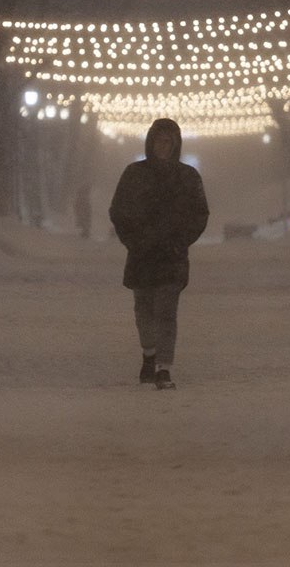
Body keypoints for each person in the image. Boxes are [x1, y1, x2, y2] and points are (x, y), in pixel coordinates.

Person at [109, 118, 209, 390]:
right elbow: (118, 211)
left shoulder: (187, 177)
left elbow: (200, 214)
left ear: (175, 145)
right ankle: (149, 355)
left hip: (171, 256)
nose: (163, 147)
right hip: (142, 255)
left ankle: (164, 367)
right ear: (150, 143)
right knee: (144, 310)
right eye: (159, 141)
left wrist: (180, 241)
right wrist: (133, 240)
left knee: (166, 311)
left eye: (168, 142)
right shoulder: (134, 174)